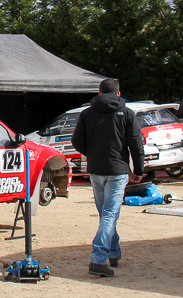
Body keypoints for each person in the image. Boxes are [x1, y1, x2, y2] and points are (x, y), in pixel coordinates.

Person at [72, 79, 144, 278]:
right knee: (109, 215)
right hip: (117, 169)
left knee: (106, 214)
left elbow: (76, 141)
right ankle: (98, 258)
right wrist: (139, 170)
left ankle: (113, 252)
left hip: (96, 169)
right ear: (119, 93)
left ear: (99, 92)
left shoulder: (87, 113)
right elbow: (136, 144)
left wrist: (92, 153)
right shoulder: (127, 113)